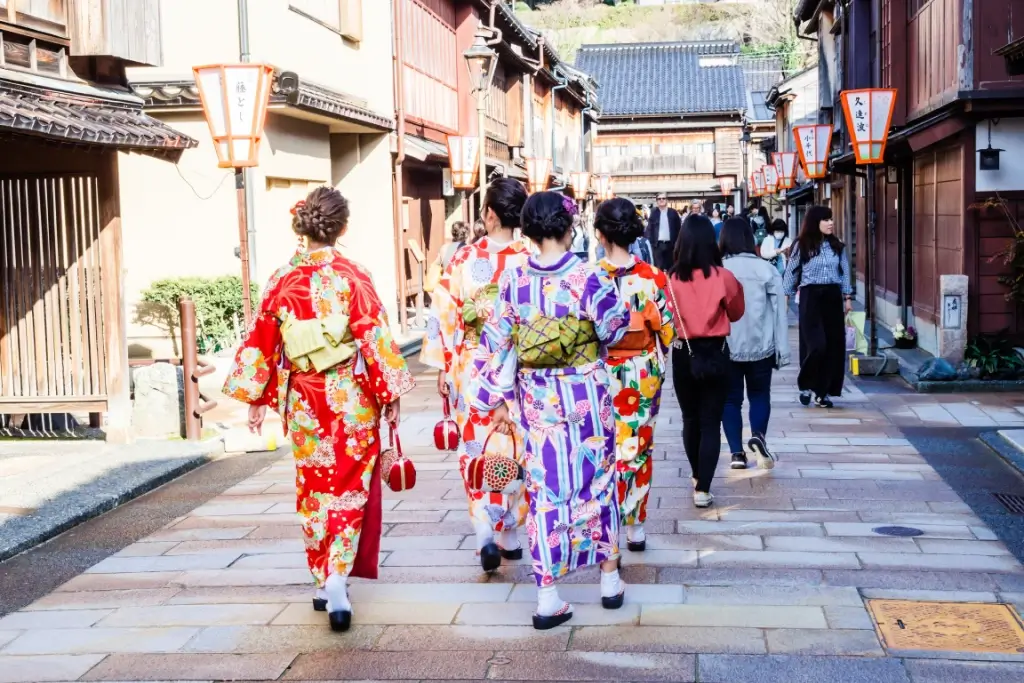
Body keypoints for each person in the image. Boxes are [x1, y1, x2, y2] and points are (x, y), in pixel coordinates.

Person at [223, 187, 414, 633]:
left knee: (313, 488)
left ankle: (320, 577)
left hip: (306, 398)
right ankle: (337, 579)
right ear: (342, 228)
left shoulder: (281, 279)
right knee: (348, 486)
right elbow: (373, 336)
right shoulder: (354, 275)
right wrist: (391, 393)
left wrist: (256, 398)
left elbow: (262, 341)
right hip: (350, 399)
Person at [471, 191, 629, 630]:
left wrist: (493, 399)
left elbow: (495, 344)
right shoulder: (588, 276)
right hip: (585, 396)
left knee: (545, 491)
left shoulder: (514, 281)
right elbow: (615, 328)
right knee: (598, 481)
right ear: (567, 228)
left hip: (537, 398)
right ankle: (610, 582)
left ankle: (547, 597)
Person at [421, 178, 532, 572]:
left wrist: (443, 367)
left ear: (488, 214)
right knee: (516, 445)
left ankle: (485, 527)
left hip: (474, 365)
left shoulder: (465, 259)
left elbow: (444, 312)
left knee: (475, 446)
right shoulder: (530, 257)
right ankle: (510, 534)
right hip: (519, 368)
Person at [596, 198, 675, 552]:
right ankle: (636, 525)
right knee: (638, 447)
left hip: (598, 370)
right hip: (642, 371)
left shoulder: (589, 278)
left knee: (602, 448)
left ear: (599, 234)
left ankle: (607, 518)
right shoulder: (653, 277)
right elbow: (669, 331)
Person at [666, 214, 745, 508]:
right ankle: (704, 488)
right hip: (716, 350)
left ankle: (697, 474)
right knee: (711, 421)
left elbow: (666, 318)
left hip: (683, 352)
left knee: (690, 419)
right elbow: (736, 312)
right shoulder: (724, 277)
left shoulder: (670, 279)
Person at [719, 218, 790, 470]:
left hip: (727, 345)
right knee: (759, 395)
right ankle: (758, 436)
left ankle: (737, 454)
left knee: (730, 400)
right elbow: (780, 312)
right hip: (762, 345)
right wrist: (783, 349)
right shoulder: (767, 269)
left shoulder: (719, 269)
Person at [783, 206, 853, 408]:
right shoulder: (802, 245)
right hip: (810, 297)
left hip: (832, 296)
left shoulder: (836, 246)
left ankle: (822, 393)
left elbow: (845, 272)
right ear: (816, 222)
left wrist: (847, 297)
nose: (831, 223)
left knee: (832, 346)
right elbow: (791, 272)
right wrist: (785, 295)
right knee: (815, 344)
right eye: (826, 219)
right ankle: (805, 384)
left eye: (831, 219)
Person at [425, 221, 471, 294]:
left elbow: (436, 264)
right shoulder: (469, 249)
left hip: (446, 287)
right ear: (466, 234)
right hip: (463, 288)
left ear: (452, 233)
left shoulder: (444, 248)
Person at [645, 193, 682, 272]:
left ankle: (670, 284)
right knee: (658, 269)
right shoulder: (654, 213)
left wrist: (678, 243)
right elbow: (649, 229)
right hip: (657, 245)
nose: (661, 200)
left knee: (672, 268)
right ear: (657, 201)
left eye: (663, 198)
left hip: (671, 245)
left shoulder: (673, 212)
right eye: (659, 199)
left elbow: (678, 228)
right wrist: (650, 243)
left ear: (667, 200)